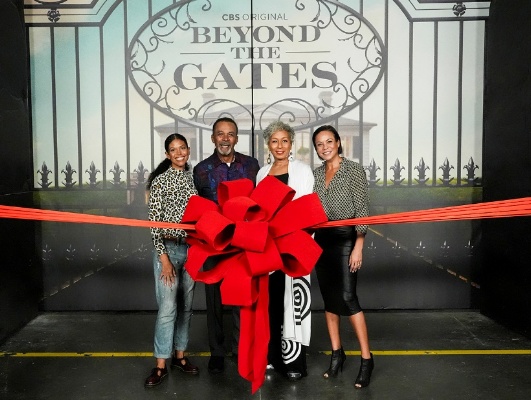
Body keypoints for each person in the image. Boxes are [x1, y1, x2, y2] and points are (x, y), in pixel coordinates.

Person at [193, 117, 260, 374]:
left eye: (230, 134)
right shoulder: (200, 170)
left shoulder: (252, 165)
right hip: (213, 245)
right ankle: (217, 353)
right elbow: (196, 208)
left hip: (243, 244)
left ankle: (241, 348)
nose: (225, 138)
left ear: (236, 138)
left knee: (242, 297)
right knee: (215, 301)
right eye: (220, 134)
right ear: (213, 138)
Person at [311, 125, 374, 388]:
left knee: (348, 297)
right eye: (319, 144)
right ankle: (337, 355)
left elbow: (362, 210)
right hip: (322, 241)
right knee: (329, 299)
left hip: (347, 238)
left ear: (338, 142)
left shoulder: (353, 170)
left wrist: (359, 244)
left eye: (329, 141)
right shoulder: (316, 174)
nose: (324, 147)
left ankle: (367, 359)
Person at [256, 121, 314, 381]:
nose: (279, 146)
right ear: (268, 144)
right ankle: (272, 359)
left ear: (291, 143)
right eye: (274, 141)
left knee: (294, 304)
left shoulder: (302, 171)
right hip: (268, 247)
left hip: (292, 245)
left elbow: (306, 210)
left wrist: (293, 241)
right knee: (271, 303)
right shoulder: (262, 173)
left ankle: (295, 363)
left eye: (285, 141)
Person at [144, 133, 199, 387]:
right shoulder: (160, 182)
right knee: (168, 309)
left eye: (182, 148)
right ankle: (160, 365)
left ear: (188, 150)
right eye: (173, 150)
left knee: (186, 306)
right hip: (168, 250)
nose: (179, 153)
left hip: (190, 250)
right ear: (167, 154)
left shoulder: (191, 179)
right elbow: (154, 224)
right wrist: (163, 258)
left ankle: (180, 355)